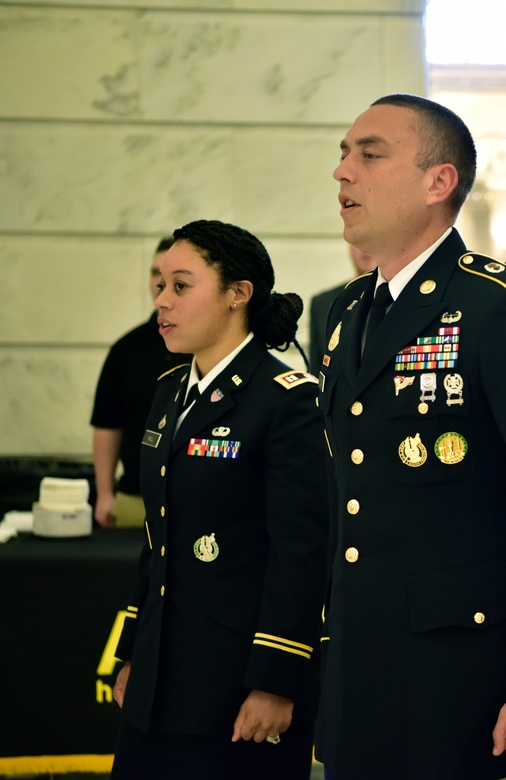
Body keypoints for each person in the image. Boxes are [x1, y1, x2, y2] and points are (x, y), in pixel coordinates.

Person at [315, 93, 506, 780]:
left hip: (468, 688)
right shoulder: (350, 315)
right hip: (362, 678)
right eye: (342, 153)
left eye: (369, 153)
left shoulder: (497, 305)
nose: (342, 172)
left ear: (438, 182)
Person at [109, 220, 329, 780]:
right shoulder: (168, 395)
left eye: (181, 286)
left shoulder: (287, 402)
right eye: (160, 285)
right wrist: (134, 650)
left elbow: (301, 557)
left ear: (239, 294)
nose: (162, 301)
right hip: (161, 676)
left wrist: (277, 680)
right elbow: (158, 543)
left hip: (237, 689)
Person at [90, 236, 186, 528]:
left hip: (198, 502)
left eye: (175, 278)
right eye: (155, 273)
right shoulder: (126, 349)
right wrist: (105, 494)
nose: (160, 282)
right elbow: (107, 426)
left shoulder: (207, 346)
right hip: (136, 498)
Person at [308, 244, 376, 371]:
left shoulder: (400, 297)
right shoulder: (323, 303)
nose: (365, 248)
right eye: (357, 241)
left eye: (374, 238)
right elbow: (316, 370)